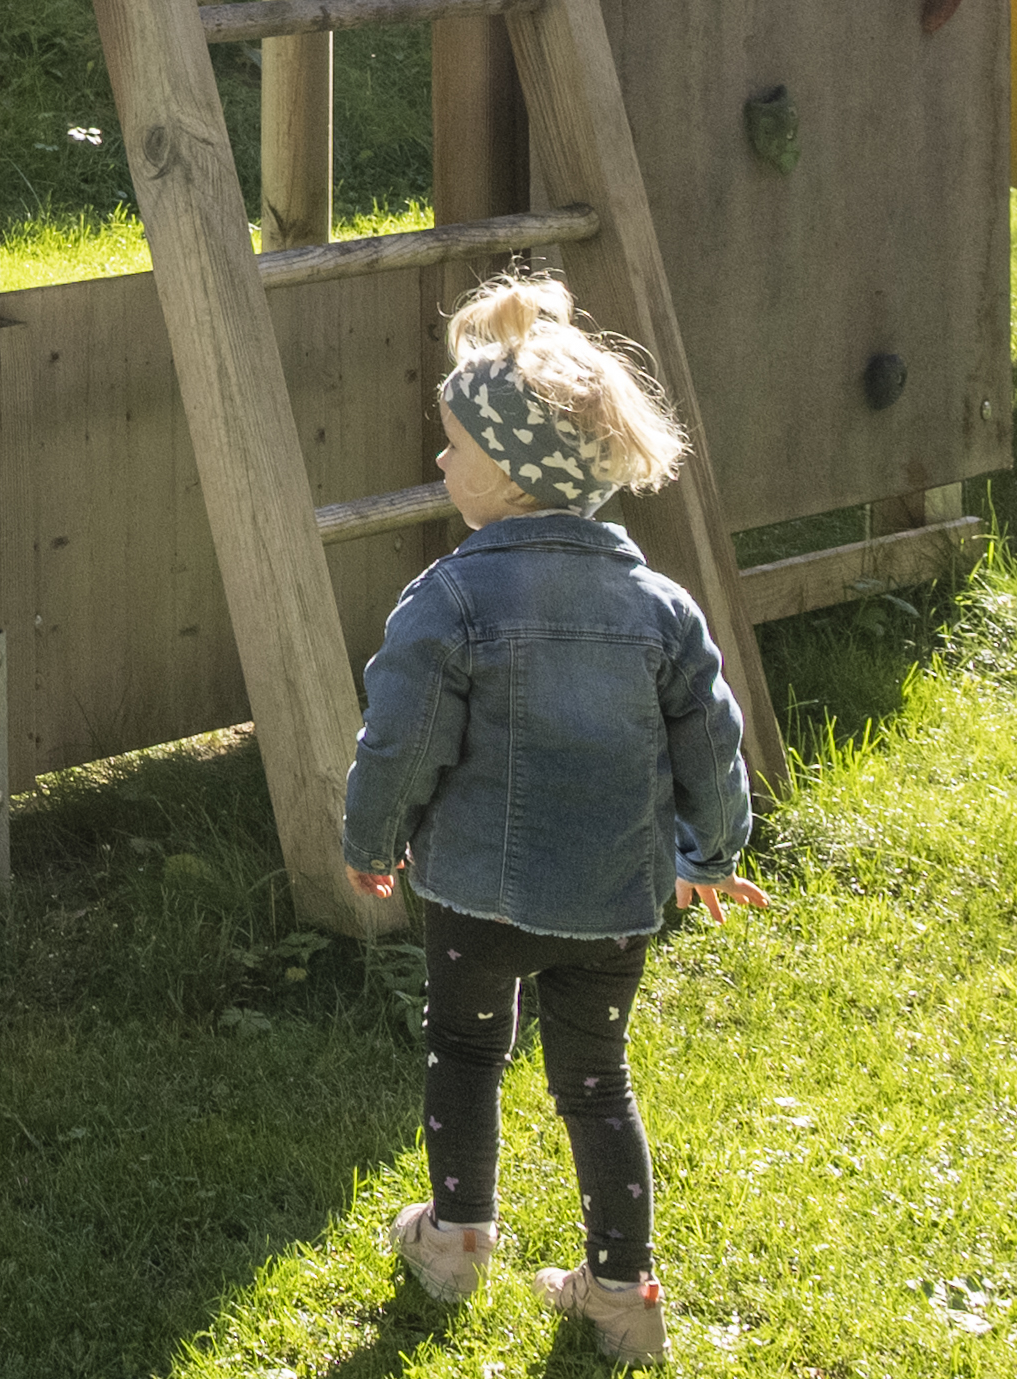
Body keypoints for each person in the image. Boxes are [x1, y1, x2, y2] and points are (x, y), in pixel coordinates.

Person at [340, 271, 770, 1367]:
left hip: (478, 893)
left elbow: (399, 741)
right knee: (595, 1081)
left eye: (454, 448)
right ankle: (621, 1293)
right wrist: (710, 856)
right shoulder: (660, 607)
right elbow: (710, 745)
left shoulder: (449, 599)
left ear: (515, 472)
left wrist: (371, 840)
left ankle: (454, 1237)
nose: (439, 463)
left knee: (465, 1051)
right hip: (614, 901)